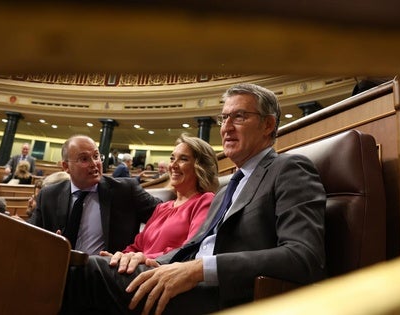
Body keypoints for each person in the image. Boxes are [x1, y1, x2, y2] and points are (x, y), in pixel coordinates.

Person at [62, 83, 327, 314]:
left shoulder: (289, 169)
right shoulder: (227, 190)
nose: (226, 128)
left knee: (80, 273)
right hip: (181, 281)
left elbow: (304, 256)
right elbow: (193, 247)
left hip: (224, 295)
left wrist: (200, 270)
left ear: (268, 124)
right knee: (77, 266)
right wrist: (150, 260)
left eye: (239, 117)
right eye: (223, 118)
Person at [28, 135, 162, 255]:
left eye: (96, 156)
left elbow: (165, 215)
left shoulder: (126, 190)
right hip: (58, 270)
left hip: (106, 274)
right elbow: (31, 238)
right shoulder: (49, 195)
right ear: (66, 166)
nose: (94, 164)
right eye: (84, 159)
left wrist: (142, 252)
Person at [101, 133, 218, 265]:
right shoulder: (161, 207)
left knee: (90, 267)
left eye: (183, 159)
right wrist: (120, 257)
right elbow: (136, 247)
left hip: (162, 272)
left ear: (200, 167)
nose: (173, 165)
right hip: (136, 270)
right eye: (172, 158)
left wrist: (146, 259)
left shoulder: (205, 201)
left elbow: (191, 249)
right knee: (94, 263)